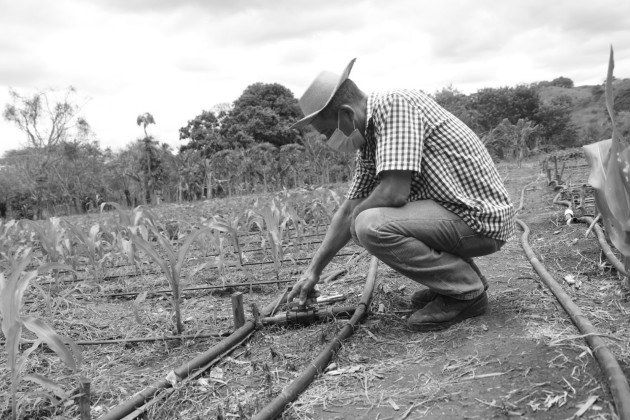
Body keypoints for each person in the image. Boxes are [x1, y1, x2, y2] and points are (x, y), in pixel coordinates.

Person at [287, 58, 515, 332]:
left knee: (369, 225)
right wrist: (313, 271)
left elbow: (394, 193)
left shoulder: (395, 107)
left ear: (346, 114)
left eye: (327, 132)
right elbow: (350, 208)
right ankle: (459, 280)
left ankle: (466, 292)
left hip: (479, 218)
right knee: (361, 220)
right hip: (456, 216)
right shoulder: (368, 141)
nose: (329, 141)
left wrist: (355, 225)